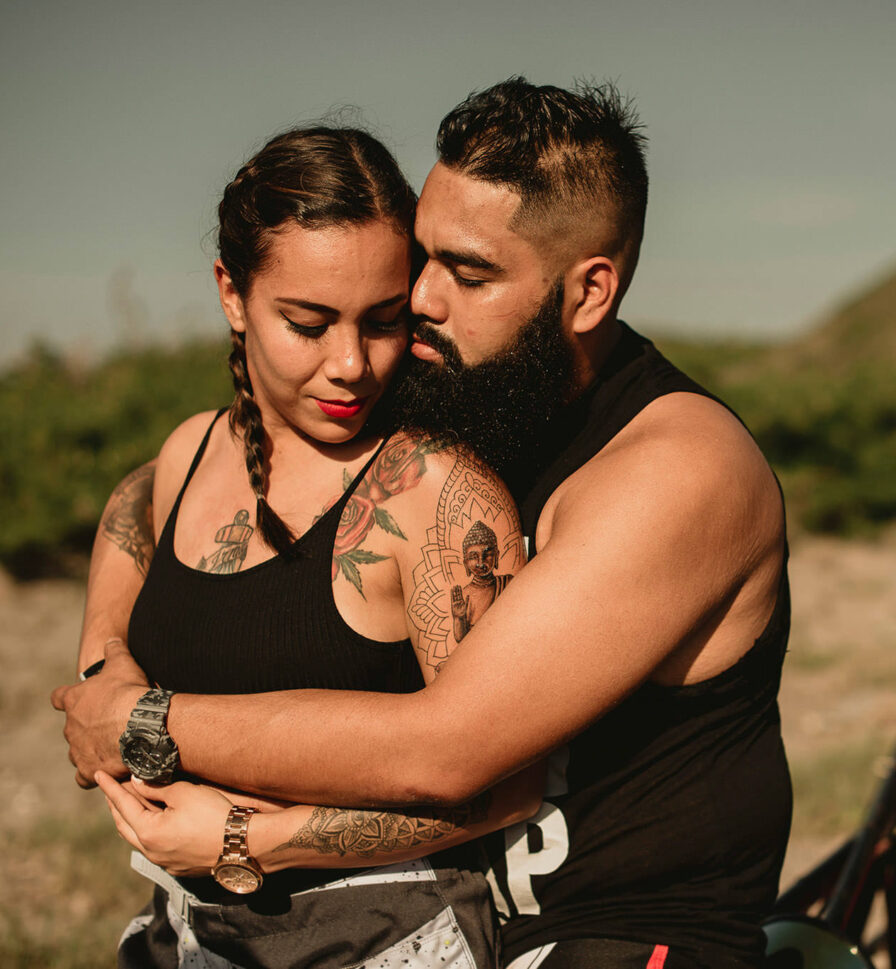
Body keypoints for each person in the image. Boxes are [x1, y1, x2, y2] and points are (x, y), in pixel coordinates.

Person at [55, 78, 792, 969]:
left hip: (619, 928)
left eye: (470, 272)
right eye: (423, 259)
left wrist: (145, 723)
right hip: (455, 910)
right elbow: (162, 483)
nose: (421, 301)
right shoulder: (471, 382)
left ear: (590, 289)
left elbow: (445, 750)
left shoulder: (677, 469)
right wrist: (105, 644)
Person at [79, 124, 539, 969]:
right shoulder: (186, 456)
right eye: (308, 321)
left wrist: (251, 838)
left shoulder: (436, 493)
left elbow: (507, 781)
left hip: (384, 937)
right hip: (180, 933)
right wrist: (106, 654)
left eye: (383, 320)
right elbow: (128, 520)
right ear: (231, 292)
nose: (352, 364)